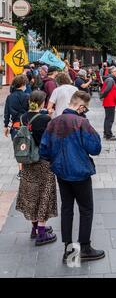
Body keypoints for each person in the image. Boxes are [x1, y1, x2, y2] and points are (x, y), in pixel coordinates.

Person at [40, 91, 104, 264]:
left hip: (61, 172)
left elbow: (44, 150)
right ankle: (85, 247)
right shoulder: (82, 122)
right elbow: (95, 148)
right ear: (81, 107)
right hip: (80, 172)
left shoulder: (53, 123)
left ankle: (68, 249)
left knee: (67, 209)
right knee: (86, 209)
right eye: (86, 109)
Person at [16, 91, 58, 246]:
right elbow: (51, 140)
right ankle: (41, 233)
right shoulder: (45, 118)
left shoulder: (23, 117)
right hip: (43, 162)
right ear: (42, 102)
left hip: (27, 162)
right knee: (44, 195)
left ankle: (35, 228)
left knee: (31, 195)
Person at [3, 75, 30, 179]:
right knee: (26, 146)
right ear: (23, 85)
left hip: (15, 126)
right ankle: (27, 170)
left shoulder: (10, 97)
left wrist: (6, 126)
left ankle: (21, 171)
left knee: (18, 149)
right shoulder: (27, 96)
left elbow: (6, 113)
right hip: (26, 126)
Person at [100, 66, 116, 141]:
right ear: (111, 72)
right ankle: (108, 135)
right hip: (109, 102)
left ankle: (106, 133)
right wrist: (102, 96)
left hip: (109, 102)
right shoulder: (111, 80)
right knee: (110, 119)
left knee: (108, 118)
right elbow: (107, 90)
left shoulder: (110, 79)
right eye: (115, 71)